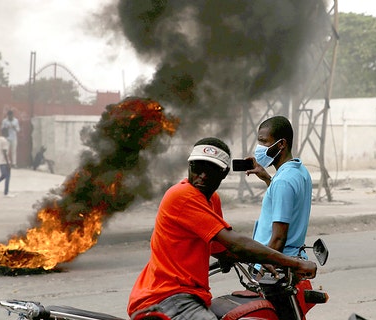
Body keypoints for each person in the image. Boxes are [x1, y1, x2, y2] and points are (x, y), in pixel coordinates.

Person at [127, 137, 316, 320]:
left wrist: (260, 258)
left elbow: (222, 250)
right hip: (166, 297)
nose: (201, 176)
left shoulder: (212, 200)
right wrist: (295, 263)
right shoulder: (182, 195)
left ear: (223, 174)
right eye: (197, 168)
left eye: (210, 170)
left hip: (189, 295)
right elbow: (235, 243)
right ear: (189, 167)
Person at [246, 116, 313, 259]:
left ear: (281, 144)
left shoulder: (283, 181)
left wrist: (262, 271)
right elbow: (286, 202)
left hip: (277, 267)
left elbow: (278, 238)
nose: (259, 148)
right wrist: (267, 179)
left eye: (264, 142)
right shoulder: (299, 171)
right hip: (293, 258)